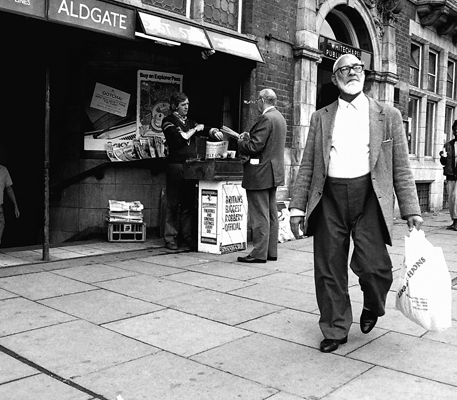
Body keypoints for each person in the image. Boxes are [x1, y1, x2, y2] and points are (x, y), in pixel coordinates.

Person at [288, 54, 423, 353]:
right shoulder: (321, 117)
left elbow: (400, 166)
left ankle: (373, 305)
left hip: (369, 198)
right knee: (328, 268)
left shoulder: (388, 115)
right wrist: (297, 207)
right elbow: (308, 165)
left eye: (357, 68)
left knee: (377, 268)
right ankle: (335, 328)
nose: (352, 73)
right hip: (329, 199)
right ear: (335, 77)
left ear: (364, 74)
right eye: (345, 69)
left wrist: (411, 209)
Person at [222, 89, 287, 263]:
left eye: (257, 101)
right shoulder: (279, 117)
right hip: (273, 172)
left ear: (262, 100)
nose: (256, 104)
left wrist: (242, 140)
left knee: (260, 214)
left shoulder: (266, 118)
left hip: (260, 173)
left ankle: (259, 253)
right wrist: (249, 138)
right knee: (272, 213)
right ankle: (270, 251)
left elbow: (254, 147)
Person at [161, 92, 223, 250]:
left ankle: (186, 237)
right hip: (176, 165)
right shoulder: (168, 121)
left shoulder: (189, 122)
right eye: (183, 105)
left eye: (188, 104)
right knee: (173, 203)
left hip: (190, 166)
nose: (187, 107)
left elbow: (203, 128)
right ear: (175, 106)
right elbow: (178, 140)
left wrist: (213, 131)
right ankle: (170, 238)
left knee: (188, 202)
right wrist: (195, 129)